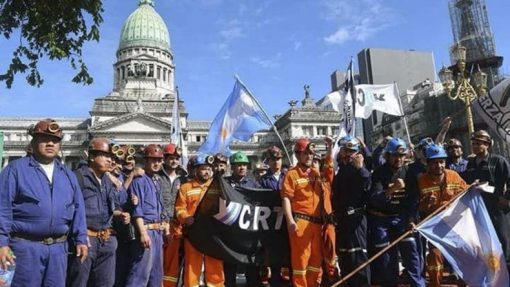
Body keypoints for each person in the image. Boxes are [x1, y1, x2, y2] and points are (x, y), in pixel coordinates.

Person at [0, 119, 88, 286]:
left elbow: (78, 209)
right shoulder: (15, 170)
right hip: (24, 248)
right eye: (44, 139)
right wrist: (1, 243)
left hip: (58, 250)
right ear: (33, 142)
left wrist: (81, 238)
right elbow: (2, 208)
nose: (50, 143)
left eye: (55, 140)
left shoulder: (68, 175)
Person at [67, 138, 130, 287]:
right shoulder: (77, 177)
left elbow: (112, 206)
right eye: (105, 156)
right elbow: (69, 211)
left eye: (111, 157)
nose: (110, 160)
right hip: (86, 240)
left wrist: (119, 214)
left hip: (106, 240)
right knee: (79, 282)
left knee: (106, 283)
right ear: (92, 157)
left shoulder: (107, 180)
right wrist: (79, 236)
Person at [367, 138, 425, 287]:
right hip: (382, 220)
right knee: (386, 258)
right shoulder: (379, 173)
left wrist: (412, 219)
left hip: (402, 218)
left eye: (402, 156)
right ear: (388, 156)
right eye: (395, 156)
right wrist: (392, 190)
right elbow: (374, 199)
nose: (399, 159)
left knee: (412, 254)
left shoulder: (409, 172)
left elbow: (414, 199)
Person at [282, 138, 334, 287]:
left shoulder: (317, 173)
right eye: (306, 154)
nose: (309, 156)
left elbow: (329, 172)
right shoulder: (292, 174)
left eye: (311, 153)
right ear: (298, 155)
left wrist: (330, 148)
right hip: (301, 223)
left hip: (318, 225)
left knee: (315, 262)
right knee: (301, 263)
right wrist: (290, 220)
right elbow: (286, 198)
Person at [418, 144, 467, 286]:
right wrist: (427, 202)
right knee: (435, 255)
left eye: (441, 162)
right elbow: (419, 207)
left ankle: (463, 282)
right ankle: (435, 283)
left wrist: (474, 187)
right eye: (434, 162)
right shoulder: (422, 180)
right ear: (428, 164)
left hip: (454, 223)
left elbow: (465, 195)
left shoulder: (454, 176)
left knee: (460, 253)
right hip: (434, 224)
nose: (438, 165)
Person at [175, 154, 225, 287]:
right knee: (192, 265)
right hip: (193, 233)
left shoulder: (218, 187)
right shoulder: (186, 187)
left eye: (209, 169)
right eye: (203, 169)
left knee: (215, 265)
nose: (207, 172)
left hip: (213, 234)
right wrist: (185, 218)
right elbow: (179, 208)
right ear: (195, 170)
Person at [463, 130, 510, 270]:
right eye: (473, 144)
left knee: (504, 239)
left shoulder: (498, 161)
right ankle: (492, 270)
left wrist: (506, 199)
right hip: (479, 209)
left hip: (497, 208)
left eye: (478, 144)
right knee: (485, 240)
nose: (475, 146)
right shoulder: (470, 164)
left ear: (487, 145)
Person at [332, 135, 371, 286]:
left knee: (358, 255)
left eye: (351, 151)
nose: (348, 154)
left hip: (356, 218)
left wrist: (361, 167)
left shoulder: (361, 169)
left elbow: (367, 186)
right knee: (344, 254)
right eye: (345, 150)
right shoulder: (341, 169)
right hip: (342, 219)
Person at [125, 144, 165, 287]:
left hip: (157, 232)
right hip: (146, 231)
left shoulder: (156, 181)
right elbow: (137, 210)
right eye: (153, 160)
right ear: (146, 161)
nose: (157, 163)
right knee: (139, 275)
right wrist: (142, 233)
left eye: (159, 160)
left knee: (156, 276)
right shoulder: (139, 181)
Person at [224, 151, 262, 287]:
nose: (242, 168)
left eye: (244, 165)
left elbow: (261, 203)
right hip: (231, 232)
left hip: (249, 232)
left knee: (251, 267)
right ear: (232, 167)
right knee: (230, 268)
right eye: (238, 165)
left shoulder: (254, 184)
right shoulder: (224, 184)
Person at [259, 146, 289, 286]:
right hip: (271, 222)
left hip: (288, 220)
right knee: (275, 256)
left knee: (289, 254)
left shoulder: (288, 176)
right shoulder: (263, 180)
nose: (276, 162)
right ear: (268, 161)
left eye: (278, 159)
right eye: (273, 159)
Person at [159, 143, 188, 287]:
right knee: (157, 261)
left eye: (177, 158)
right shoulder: (156, 176)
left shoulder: (184, 179)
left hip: (176, 227)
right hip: (158, 225)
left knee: (173, 263)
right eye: (171, 158)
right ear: (164, 159)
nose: (174, 161)